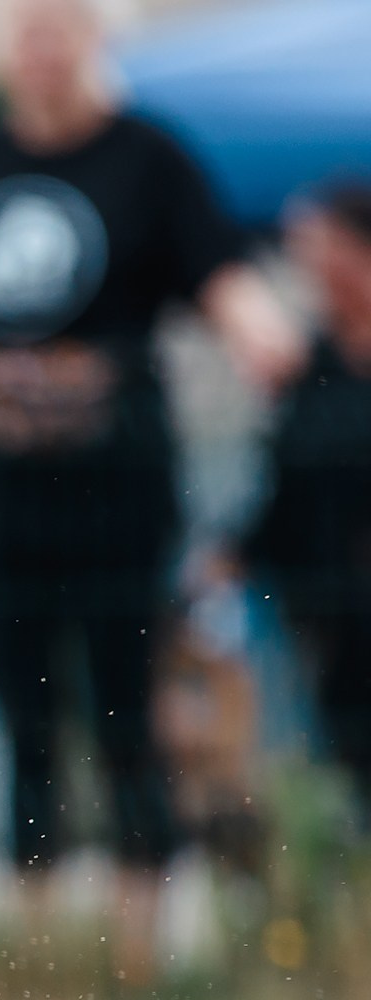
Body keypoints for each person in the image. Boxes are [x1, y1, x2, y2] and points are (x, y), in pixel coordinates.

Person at [0, 0, 302, 983]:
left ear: (92, 40)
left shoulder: (148, 161)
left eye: (60, 26)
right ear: (0, 51)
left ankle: (132, 968)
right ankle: (36, 967)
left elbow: (222, 276)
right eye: (25, 29)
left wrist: (262, 333)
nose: (43, 46)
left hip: (119, 495)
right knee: (23, 723)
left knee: (125, 720)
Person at [213, 182, 371, 814]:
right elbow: (284, 488)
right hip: (335, 610)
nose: (301, 261)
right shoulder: (309, 367)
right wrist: (231, 554)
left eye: (317, 246)